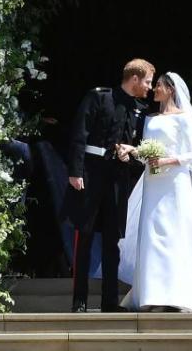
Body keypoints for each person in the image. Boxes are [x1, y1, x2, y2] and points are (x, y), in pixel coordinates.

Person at [117, 72, 192, 312]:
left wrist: (167, 161)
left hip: (175, 183)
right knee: (153, 234)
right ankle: (154, 294)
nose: (154, 89)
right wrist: (134, 150)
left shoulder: (184, 119)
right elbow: (147, 151)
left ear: (171, 90)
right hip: (153, 183)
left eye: (159, 85)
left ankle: (180, 293)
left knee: (176, 233)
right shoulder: (150, 119)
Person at [63, 58, 154, 312]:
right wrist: (75, 171)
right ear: (134, 79)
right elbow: (80, 134)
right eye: (147, 81)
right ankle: (79, 300)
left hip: (117, 179)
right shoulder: (99, 97)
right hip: (91, 175)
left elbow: (137, 146)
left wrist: (130, 154)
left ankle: (110, 302)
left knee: (112, 240)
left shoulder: (139, 109)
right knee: (85, 237)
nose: (149, 87)